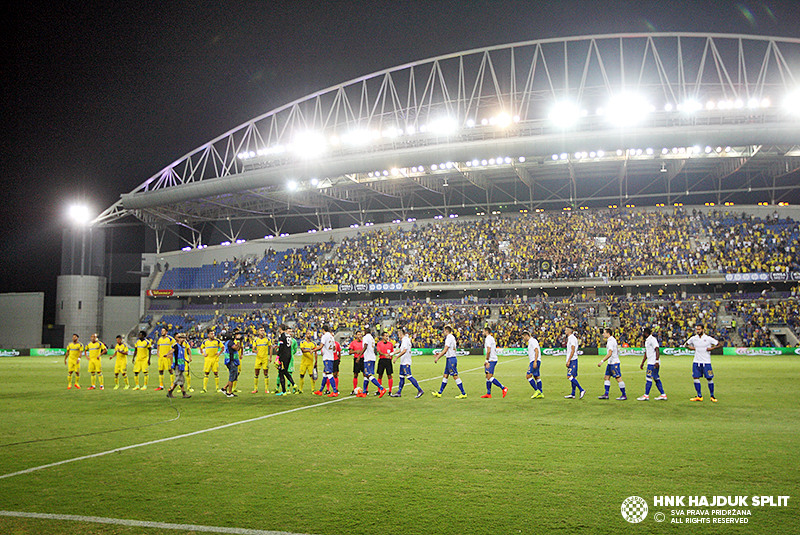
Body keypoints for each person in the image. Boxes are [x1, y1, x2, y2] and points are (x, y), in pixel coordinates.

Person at [686, 324, 723, 402]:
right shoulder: (694, 338)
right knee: (695, 377)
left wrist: (712, 348)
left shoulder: (708, 339)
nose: (698, 331)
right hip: (696, 362)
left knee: (709, 378)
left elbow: (719, 344)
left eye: (699, 329)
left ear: (703, 330)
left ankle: (712, 396)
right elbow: (686, 344)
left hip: (706, 362)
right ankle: (699, 396)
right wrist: (691, 348)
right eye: (697, 329)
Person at [431, 325, 467, 399]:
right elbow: (447, 350)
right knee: (445, 375)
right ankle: (440, 392)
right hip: (449, 358)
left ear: (446, 331)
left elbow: (445, 349)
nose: (443, 332)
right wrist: (439, 353)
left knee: (455, 375)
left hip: (451, 359)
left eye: (444, 331)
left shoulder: (448, 338)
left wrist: (438, 357)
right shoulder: (452, 337)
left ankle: (463, 393)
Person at [389, 326, 424, 398]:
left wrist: (396, 357)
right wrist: (391, 354)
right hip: (403, 362)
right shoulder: (405, 340)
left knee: (409, 376)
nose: (398, 336)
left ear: (401, 334)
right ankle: (399, 392)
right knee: (401, 377)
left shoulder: (405, 340)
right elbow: (400, 350)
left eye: (398, 334)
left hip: (406, 362)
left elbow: (404, 350)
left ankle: (420, 390)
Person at [638, 327, 667, 401]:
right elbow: (647, 352)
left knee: (648, 378)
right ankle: (663, 395)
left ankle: (646, 395)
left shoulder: (652, 339)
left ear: (646, 333)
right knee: (656, 378)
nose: (643, 334)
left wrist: (656, 361)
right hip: (651, 362)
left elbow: (657, 349)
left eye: (644, 332)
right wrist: (642, 362)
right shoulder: (647, 341)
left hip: (652, 363)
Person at [597, 328, 626, 400]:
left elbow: (609, 353)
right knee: (606, 377)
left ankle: (624, 395)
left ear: (608, 333)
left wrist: (602, 361)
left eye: (604, 333)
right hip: (611, 363)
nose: (603, 334)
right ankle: (606, 394)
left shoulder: (610, 341)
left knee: (618, 378)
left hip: (614, 363)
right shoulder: (611, 340)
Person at [357, 326, 386, 397]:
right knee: (365, 375)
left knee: (368, 374)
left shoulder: (366, 337)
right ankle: (364, 392)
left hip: (368, 358)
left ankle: (381, 388)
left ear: (365, 332)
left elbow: (365, 346)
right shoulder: (372, 338)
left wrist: (359, 356)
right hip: (371, 357)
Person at [481, 326, 508, 399]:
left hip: (491, 360)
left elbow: (489, 350)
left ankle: (503, 388)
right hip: (491, 359)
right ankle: (488, 393)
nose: (482, 332)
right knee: (487, 376)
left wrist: (487, 361)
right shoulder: (490, 338)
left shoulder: (488, 339)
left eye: (483, 331)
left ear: (487, 331)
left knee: (489, 377)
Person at [313, 324, 339, 397]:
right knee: (324, 374)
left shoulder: (324, 336)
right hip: (331, 357)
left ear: (323, 330)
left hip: (327, 358)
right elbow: (334, 348)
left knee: (329, 374)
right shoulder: (331, 336)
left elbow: (321, 346)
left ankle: (335, 391)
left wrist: (313, 350)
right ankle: (320, 390)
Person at [166, 333, 192, 399]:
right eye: (181, 338)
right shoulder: (176, 346)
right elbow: (172, 350)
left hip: (181, 364)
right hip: (177, 365)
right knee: (178, 379)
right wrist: (167, 354)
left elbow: (182, 356)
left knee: (181, 379)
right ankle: (170, 391)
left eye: (184, 338)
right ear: (179, 339)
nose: (183, 339)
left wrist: (186, 360)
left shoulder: (182, 347)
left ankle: (182, 393)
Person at [275, 324, 297, 395]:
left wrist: (278, 356)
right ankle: (290, 386)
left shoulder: (282, 335)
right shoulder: (289, 336)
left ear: (280, 328)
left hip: (283, 356)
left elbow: (281, 347)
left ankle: (286, 389)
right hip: (289, 355)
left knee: (281, 372)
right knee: (284, 371)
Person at [564, 326, 585, 399]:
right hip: (573, 360)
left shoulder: (572, 338)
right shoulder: (570, 338)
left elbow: (573, 350)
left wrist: (569, 360)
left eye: (566, 330)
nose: (565, 331)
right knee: (573, 377)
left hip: (573, 360)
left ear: (569, 331)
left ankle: (581, 389)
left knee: (569, 376)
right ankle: (573, 394)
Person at [522, 330, 543, 398]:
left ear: (526, 336)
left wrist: (535, 361)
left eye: (523, 337)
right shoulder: (531, 341)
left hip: (535, 360)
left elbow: (536, 350)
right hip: (535, 360)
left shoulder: (532, 341)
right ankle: (541, 393)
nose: (523, 339)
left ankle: (537, 391)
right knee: (536, 377)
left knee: (528, 376)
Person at [298, 329, 319, 394]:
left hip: (310, 362)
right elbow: (303, 350)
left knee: (312, 376)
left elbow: (315, 352)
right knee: (301, 375)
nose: (309, 335)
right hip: (303, 362)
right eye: (308, 334)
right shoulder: (302, 342)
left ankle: (313, 390)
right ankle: (300, 389)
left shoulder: (314, 344)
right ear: (306, 335)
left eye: (310, 334)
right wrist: (310, 350)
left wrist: (316, 361)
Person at [252, 326, 271, 394]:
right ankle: (255, 388)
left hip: (265, 359)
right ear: (258, 332)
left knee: (265, 373)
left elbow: (270, 348)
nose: (262, 332)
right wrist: (255, 351)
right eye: (261, 330)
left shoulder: (267, 339)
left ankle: (266, 389)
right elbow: (253, 349)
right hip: (258, 359)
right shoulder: (256, 340)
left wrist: (270, 357)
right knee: (256, 373)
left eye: (263, 330)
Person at [222, 331, 241, 397]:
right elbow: (236, 348)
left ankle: (224, 388)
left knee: (234, 376)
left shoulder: (228, 342)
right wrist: (238, 340)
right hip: (231, 361)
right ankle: (229, 393)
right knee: (232, 376)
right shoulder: (230, 342)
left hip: (231, 361)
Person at [376, 330, 395, 394]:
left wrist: (390, 357)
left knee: (389, 375)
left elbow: (392, 352)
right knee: (380, 375)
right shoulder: (379, 343)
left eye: (388, 336)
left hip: (388, 361)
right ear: (382, 337)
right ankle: (379, 390)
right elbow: (379, 352)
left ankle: (390, 391)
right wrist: (385, 355)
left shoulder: (390, 344)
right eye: (386, 336)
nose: (387, 337)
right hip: (382, 360)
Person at [349, 329, 365, 395]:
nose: (360, 336)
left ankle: (365, 390)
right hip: (356, 359)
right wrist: (355, 351)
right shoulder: (353, 343)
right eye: (358, 334)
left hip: (363, 359)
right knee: (355, 374)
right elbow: (350, 352)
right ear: (356, 335)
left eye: (360, 334)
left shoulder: (364, 342)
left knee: (365, 375)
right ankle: (354, 389)